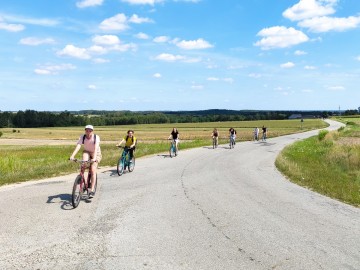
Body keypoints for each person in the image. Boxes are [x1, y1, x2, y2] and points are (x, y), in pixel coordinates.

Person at [70, 125, 102, 198]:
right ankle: (81, 179)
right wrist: (72, 156)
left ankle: (92, 190)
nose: (88, 132)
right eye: (87, 130)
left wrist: (94, 158)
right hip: (87, 151)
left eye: (90, 131)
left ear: (92, 131)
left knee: (93, 170)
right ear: (85, 131)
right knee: (83, 163)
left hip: (96, 153)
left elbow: (96, 147)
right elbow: (78, 146)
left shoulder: (96, 137)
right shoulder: (83, 137)